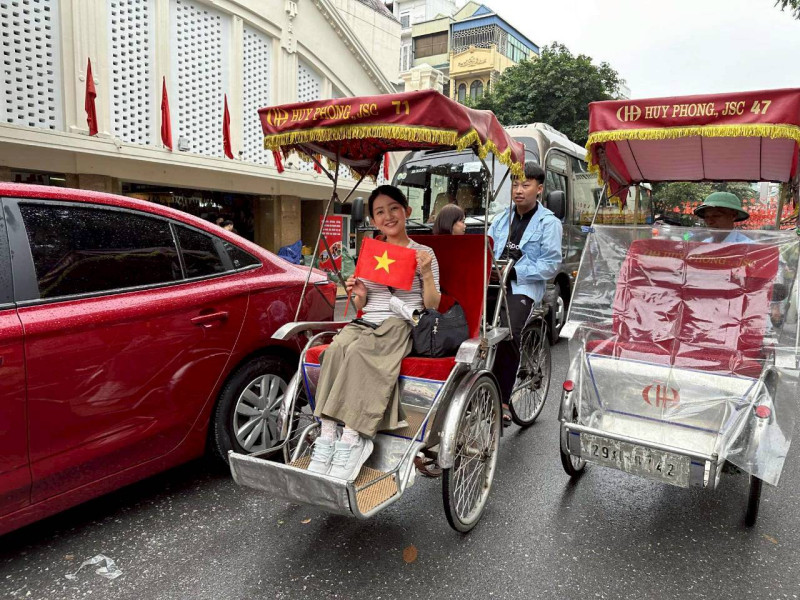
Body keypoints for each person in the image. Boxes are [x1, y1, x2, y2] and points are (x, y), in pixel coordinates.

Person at [309, 185, 441, 480]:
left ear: (407, 211)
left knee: (358, 353)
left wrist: (427, 273)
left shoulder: (424, 253)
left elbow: (432, 305)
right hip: (367, 321)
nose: (388, 216)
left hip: (402, 321)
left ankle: (353, 437)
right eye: (379, 212)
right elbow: (361, 303)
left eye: (394, 208)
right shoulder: (371, 252)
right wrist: (356, 290)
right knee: (335, 351)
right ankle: (328, 433)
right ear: (373, 219)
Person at [488, 162, 562, 416]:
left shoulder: (549, 223)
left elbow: (551, 265)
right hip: (494, 282)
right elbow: (487, 248)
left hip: (523, 287)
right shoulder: (500, 218)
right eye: (515, 184)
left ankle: (504, 399)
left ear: (539, 189)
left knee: (509, 332)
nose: (519, 190)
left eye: (526, 185)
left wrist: (517, 270)